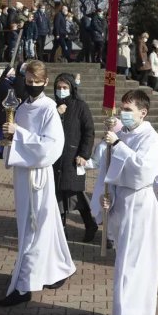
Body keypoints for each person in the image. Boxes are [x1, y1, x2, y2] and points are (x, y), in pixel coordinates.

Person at [91, 89, 158, 315]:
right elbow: (108, 168)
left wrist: (117, 146)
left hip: (140, 204)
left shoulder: (150, 138)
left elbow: (144, 172)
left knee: (131, 266)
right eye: (121, 108)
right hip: (121, 202)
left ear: (142, 113)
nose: (123, 113)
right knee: (127, 264)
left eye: (128, 109)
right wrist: (106, 195)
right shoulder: (122, 134)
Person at [0, 61, 76, 306]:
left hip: (38, 176)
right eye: (28, 82)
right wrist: (9, 136)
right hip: (22, 174)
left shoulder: (48, 109)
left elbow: (50, 147)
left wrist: (18, 133)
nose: (31, 86)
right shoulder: (21, 108)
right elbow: (17, 138)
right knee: (42, 224)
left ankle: (25, 286)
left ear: (45, 82)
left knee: (35, 227)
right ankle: (59, 268)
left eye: (36, 83)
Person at [52, 73, 97, 243]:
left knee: (75, 192)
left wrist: (84, 154)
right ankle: (61, 228)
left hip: (73, 158)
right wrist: (56, 113)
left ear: (71, 88)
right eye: (59, 87)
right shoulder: (52, 106)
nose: (61, 91)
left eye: (65, 88)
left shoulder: (80, 106)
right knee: (57, 193)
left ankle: (89, 223)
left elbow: (89, 132)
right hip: (55, 159)